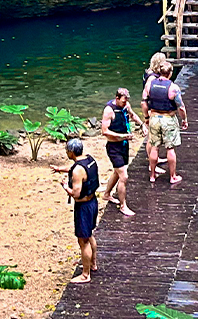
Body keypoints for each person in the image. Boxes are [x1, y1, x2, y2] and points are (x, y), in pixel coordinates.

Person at [54, 138, 100, 283]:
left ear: (71, 152)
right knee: (89, 235)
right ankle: (93, 264)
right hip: (93, 202)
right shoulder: (89, 160)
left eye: (67, 151)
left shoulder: (78, 171)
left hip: (84, 207)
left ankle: (85, 275)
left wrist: (64, 186)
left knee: (83, 240)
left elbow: (76, 193)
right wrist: (60, 169)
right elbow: (77, 169)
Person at [141, 64, 188, 186]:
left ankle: (152, 175)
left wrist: (146, 117)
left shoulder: (150, 84)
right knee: (170, 148)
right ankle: (172, 176)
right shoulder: (173, 88)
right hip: (168, 118)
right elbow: (181, 107)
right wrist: (184, 120)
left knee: (154, 146)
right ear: (170, 73)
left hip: (154, 118)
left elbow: (144, 102)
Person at [99, 88, 140, 217]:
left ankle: (106, 194)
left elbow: (132, 115)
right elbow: (104, 131)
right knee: (124, 176)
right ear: (117, 98)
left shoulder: (126, 105)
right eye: (123, 101)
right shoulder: (109, 110)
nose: (125, 103)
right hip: (113, 147)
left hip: (124, 145)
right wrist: (122, 136)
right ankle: (123, 206)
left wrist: (142, 124)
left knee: (118, 172)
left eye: (126, 101)